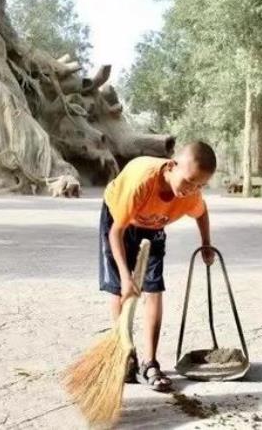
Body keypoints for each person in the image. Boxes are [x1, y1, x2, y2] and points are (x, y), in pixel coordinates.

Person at [99, 141, 216, 392]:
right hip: (119, 219)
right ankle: (124, 354)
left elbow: (202, 212)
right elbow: (115, 232)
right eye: (188, 182)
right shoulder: (142, 182)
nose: (191, 190)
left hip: (154, 225)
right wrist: (125, 276)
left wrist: (206, 243)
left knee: (153, 289)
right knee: (120, 289)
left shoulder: (191, 194)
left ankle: (149, 362)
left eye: (200, 185)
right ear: (172, 167)